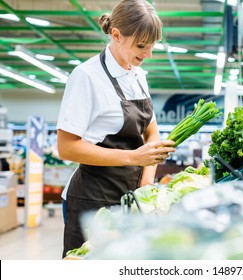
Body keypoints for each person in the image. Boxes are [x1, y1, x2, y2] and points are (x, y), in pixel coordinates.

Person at [56, 0, 176, 258]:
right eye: (141, 45)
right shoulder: (86, 76)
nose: (149, 54)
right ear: (116, 35)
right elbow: (66, 147)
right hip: (91, 201)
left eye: (153, 44)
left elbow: (151, 133)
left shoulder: (138, 76)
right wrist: (134, 157)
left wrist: (146, 182)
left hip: (130, 199)